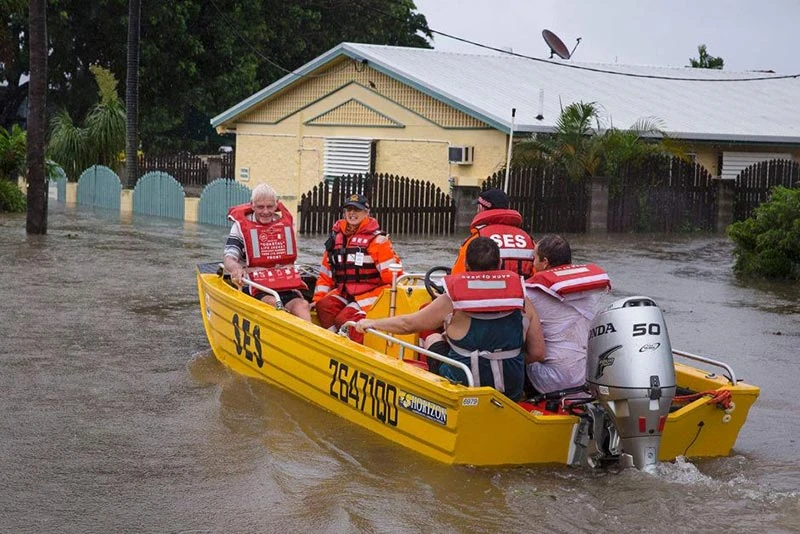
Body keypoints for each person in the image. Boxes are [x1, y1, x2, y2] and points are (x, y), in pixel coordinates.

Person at [356, 237, 544, 401]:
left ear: (467, 266)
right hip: (510, 387)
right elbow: (537, 353)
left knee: (432, 336)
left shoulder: (452, 299)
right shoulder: (521, 297)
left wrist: (372, 323)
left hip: (464, 382)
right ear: (500, 263)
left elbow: (408, 324)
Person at [524, 234, 611, 394]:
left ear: (545, 262)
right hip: (587, 376)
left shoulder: (531, 292)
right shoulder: (588, 290)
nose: (533, 263)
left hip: (551, 381)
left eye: (534, 258)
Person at [312, 193, 402, 343]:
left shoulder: (378, 241)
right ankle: (335, 341)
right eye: (349, 210)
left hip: (373, 292)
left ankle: (357, 349)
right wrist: (318, 298)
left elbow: (393, 277)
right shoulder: (336, 239)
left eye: (357, 210)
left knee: (345, 318)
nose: (352, 213)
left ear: (366, 213)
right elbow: (325, 274)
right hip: (346, 291)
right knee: (324, 306)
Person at [223, 183, 312, 322]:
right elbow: (229, 257)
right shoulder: (240, 226)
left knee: (303, 305)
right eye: (260, 207)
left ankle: (309, 340)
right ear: (252, 205)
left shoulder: (284, 225)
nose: (265, 211)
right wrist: (236, 268)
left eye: (270, 206)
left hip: (283, 282)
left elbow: (290, 259)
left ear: (277, 204)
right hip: (255, 285)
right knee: (272, 303)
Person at [451, 188, 535, 278]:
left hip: (483, 290)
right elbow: (537, 274)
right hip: (520, 290)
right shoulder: (528, 239)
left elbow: (457, 276)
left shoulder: (476, 240)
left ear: (481, 208)